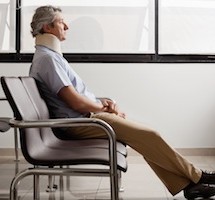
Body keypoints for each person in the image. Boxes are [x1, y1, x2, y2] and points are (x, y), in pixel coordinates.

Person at [29, 5, 215, 199]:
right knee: (149, 135)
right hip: (78, 123)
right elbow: (75, 102)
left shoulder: (50, 58)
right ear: (47, 28)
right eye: (61, 22)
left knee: (145, 138)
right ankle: (198, 176)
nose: (67, 26)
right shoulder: (47, 60)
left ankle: (189, 186)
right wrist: (104, 108)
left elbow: (76, 98)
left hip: (85, 117)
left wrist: (104, 103)